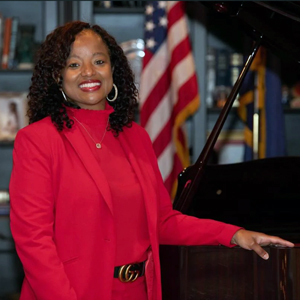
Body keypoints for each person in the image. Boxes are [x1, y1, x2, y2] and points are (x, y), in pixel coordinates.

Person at [9, 20, 294, 300]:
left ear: (114, 70)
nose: (88, 72)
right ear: (57, 76)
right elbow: (34, 242)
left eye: (99, 61)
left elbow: (162, 222)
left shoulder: (136, 137)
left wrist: (233, 234)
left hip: (139, 291)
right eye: (73, 64)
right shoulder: (38, 140)